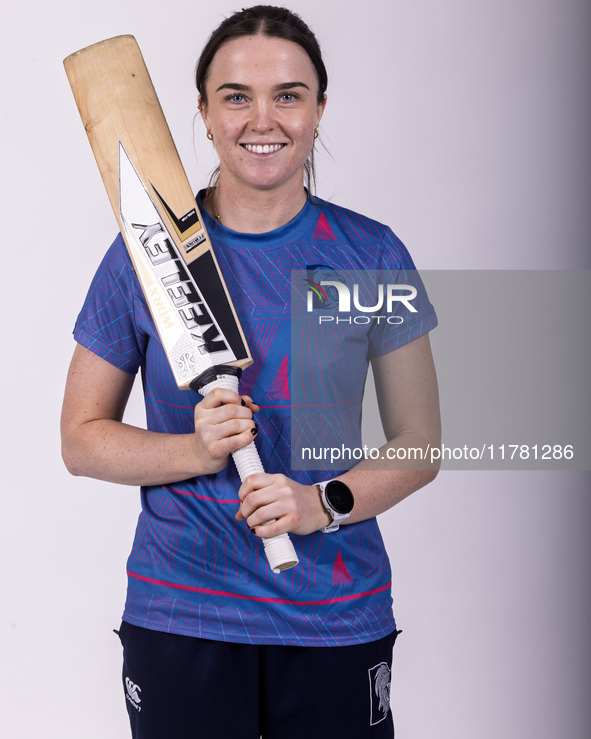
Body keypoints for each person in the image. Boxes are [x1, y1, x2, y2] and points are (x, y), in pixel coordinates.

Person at [61, 5, 441, 738]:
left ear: (319, 109)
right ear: (202, 112)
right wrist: (193, 450)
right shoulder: (142, 259)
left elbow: (419, 443)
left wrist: (318, 504)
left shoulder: (370, 252)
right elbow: (80, 439)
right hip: (183, 611)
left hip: (334, 612)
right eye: (234, 96)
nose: (260, 119)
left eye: (287, 95)